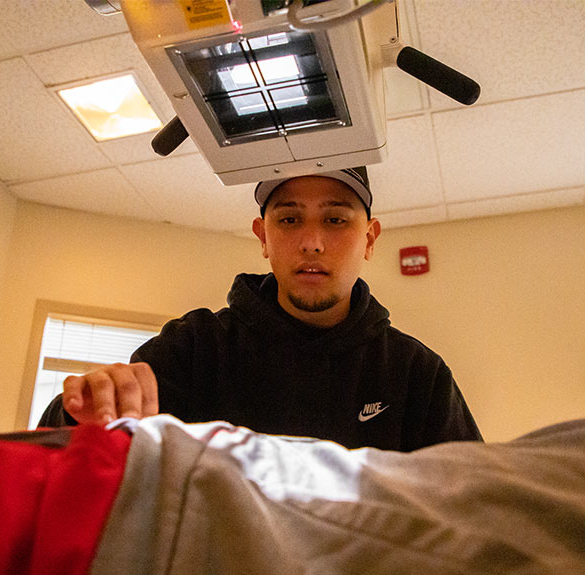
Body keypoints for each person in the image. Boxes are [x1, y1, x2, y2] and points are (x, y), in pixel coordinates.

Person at [38, 167, 481, 451]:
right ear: (263, 238)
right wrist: (85, 406)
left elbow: (474, 508)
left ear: (369, 239)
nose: (311, 241)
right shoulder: (196, 347)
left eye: (335, 219)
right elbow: (71, 442)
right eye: (289, 219)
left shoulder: (416, 372)